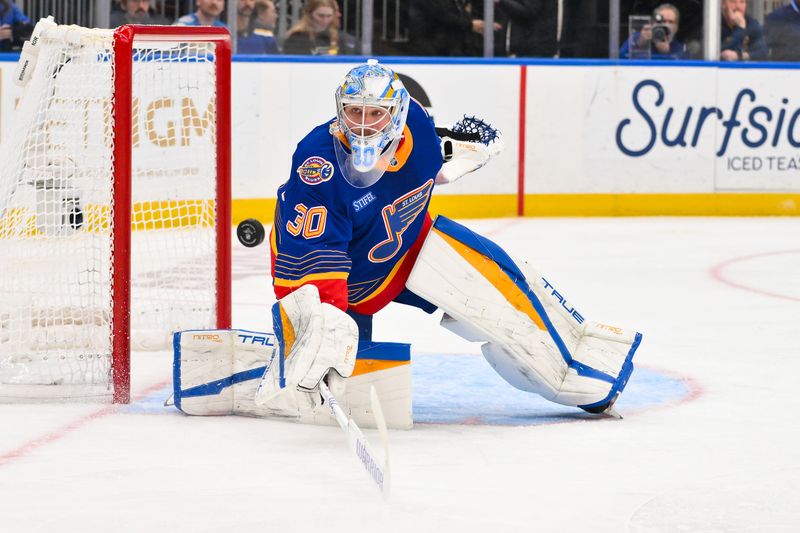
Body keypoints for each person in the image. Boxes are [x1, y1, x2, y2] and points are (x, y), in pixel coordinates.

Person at [259, 59, 640, 417]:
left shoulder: (417, 126)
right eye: (354, 111)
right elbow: (312, 252)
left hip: (410, 246)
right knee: (337, 361)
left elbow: (427, 163)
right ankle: (302, 369)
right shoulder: (318, 165)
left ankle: (585, 379)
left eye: (376, 113)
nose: (363, 124)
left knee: (507, 286)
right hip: (346, 275)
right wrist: (324, 326)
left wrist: (464, 154)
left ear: (397, 113)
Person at [620, 3, 688, 59]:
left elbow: (682, 68)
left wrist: (666, 54)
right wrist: (639, 44)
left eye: (670, 22)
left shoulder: (679, 47)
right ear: (652, 23)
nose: (666, 25)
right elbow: (620, 59)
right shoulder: (638, 38)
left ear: (676, 28)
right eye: (662, 21)